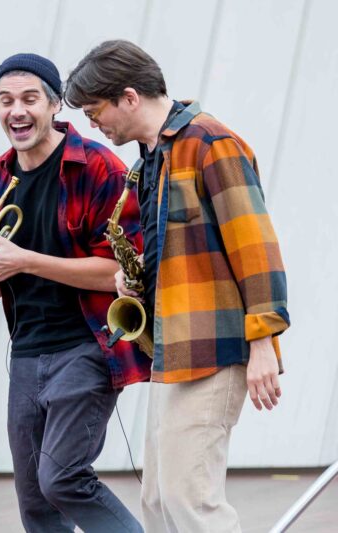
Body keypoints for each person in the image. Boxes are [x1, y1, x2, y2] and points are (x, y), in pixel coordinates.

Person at [65, 40, 290, 532]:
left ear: (128, 97)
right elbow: (190, 245)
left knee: (191, 502)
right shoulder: (152, 157)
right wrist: (136, 274)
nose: (92, 125)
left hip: (214, 349)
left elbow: (256, 246)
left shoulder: (209, 143)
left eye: (94, 112)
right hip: (174, 349)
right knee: (158, 502)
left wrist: (264, 343)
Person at [0, 53, 150, 532]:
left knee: (62, 479)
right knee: (35, 502)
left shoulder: (99, 167)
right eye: (5, 101)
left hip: (89, 344)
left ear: (55, 104)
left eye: (29, 99)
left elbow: (121, 272)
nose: (16, 111)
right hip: (26, 351)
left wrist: (23, 259)